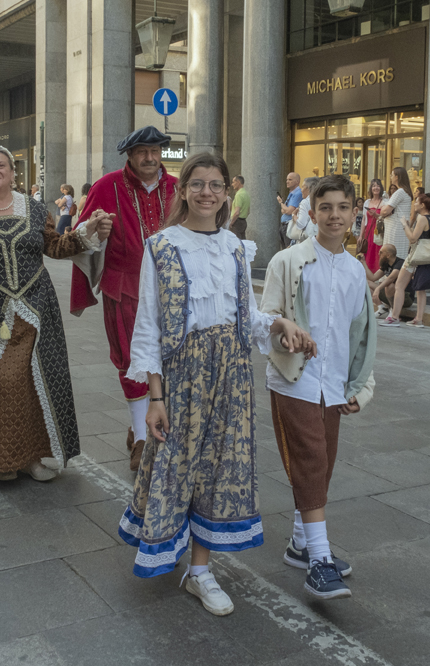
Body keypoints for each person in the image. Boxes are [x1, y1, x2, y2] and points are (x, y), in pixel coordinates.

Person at [120, 152, 308, 615]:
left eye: (216, 184)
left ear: (227, 193)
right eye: (198, 183)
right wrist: (154, 398)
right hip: (182, 375)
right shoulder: (161, 246)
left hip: (232, 373)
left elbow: (243, 313)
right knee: (176, 464)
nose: (207, 192)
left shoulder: (235, 248)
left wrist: (278, 323)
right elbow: (148, 326)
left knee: (219, 468)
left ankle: (200, 571)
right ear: (182, 189)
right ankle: (173, 545)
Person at [0, 143, 113, 482]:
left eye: (1, 164)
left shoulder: (32, 208)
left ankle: (32, 458)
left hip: (36, 310)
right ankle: (1, 461)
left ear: (13, 173)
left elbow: (55, 246)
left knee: (34, 382)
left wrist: (86, 233)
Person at [261, 173, 376, 602]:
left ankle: (300, 544)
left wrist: (359, 386)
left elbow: (361, 335)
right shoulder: (287, 261)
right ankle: (320, 561)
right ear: (311, 213)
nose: (333, 215)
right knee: (310, 460)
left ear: (354, 214)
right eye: (325, 207)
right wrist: (283, 331)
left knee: (322, 464)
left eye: (342, 208)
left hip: (334, 384)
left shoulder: (354, 270)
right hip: (294, 380)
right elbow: (266, 317)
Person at [70, 126, 179, 471]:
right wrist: (94, 231)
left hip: (172, 289)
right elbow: (78, 236)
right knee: (132, 361)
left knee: (169, 360)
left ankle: (141, 426)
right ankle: (143, 441)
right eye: (142, 152)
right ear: (130, 155)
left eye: (155, 151)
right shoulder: (107, 186)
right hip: (125, 286)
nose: (150, 157)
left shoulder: (178, 187)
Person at [390, 193, 430, 328]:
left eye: (416, 202)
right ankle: (418, 319)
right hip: (422, 257)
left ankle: (394, 317)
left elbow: (413, 238)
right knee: (420, 290)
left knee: (399, 286)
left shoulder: (422, 218)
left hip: (414, 257)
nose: (414, 204)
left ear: (422, 205)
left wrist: (404, 225)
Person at [379, 166, 414, 261]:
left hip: (395, 229)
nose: (390, 177)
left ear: (397, 177)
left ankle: (393, 275)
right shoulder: (405, 191)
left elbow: (385, 211)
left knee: (393, 256)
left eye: (392, 175)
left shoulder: (400, 192)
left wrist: (382, 210)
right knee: (400, 255)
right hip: (400, 228)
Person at [362, 244, 399, 318]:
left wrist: (378, 288)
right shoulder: (386, 264)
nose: (379, 254)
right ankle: (382, 309)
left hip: (403, 296)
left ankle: (393, 311)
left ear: (388, 255)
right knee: (366, 283)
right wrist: (363, 262)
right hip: (390, 294)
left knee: (390, 285)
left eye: (381, 252)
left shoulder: (399, 263)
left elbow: (390, 278)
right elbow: (373, 278)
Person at [358, 178, 386, 271]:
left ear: (381, 188)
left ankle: (378, 272)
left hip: (379, 231)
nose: (376, 188)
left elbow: (386, 219)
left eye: (378, 185)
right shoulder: (367, 202)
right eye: (374, 186)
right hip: (369, 231)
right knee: (368, 251)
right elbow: (363, 220)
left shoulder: (384, 202)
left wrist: (376, 215)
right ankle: (368, 272)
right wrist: (361, 235)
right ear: (371, 188)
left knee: (379, 251)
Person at [287, 177, 318, 242]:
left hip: (307, 239)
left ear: (309, 189)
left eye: (303, 187)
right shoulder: (320, 200)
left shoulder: (305, 202)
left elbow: (301, 224)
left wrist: (294, 216)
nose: (301, 190)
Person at [277, 172, 302, 249]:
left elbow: (289, 211)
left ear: (297, 181)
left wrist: (281, 202)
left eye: (290, 179)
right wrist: (285, 208)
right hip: (285, 225)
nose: (287, 181)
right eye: (287, 179)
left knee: (288, 250)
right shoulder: (292, 193)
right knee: (284, 249)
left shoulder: (298, 193)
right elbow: (283, 211)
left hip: (289, 225)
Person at [229, 175, 250, 240]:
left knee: (236, 243)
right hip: (243, 221)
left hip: (236, 222)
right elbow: (248, 211)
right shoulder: (246, 194)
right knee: (243, 242)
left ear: (238, 182)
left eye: (233, 182)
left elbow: (237, 212)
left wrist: (231, 223)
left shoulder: (239, 195)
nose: (232, 185)